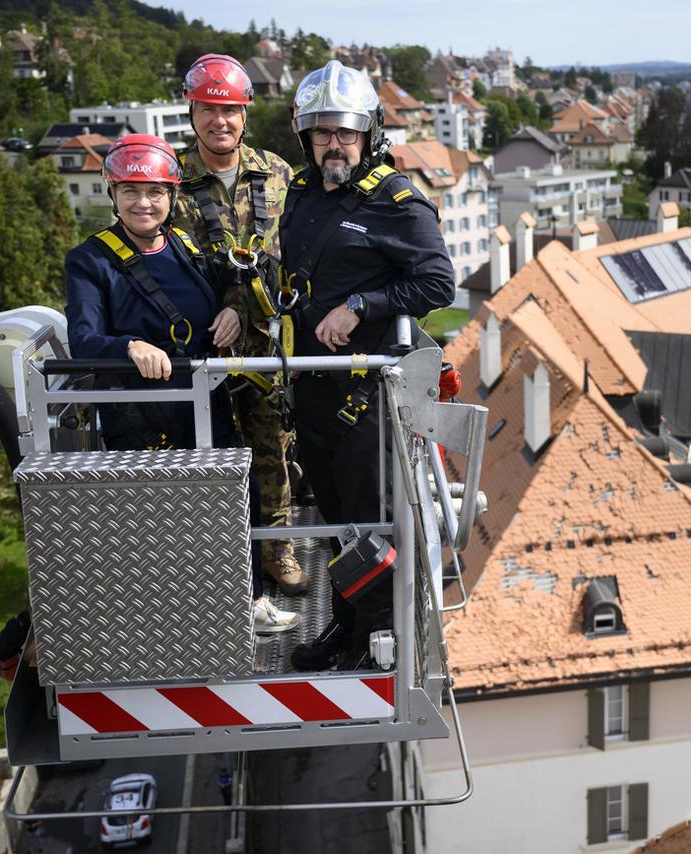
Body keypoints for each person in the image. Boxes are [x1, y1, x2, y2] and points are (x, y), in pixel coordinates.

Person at [64, 134, 300, 636]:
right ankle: (173, 619)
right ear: (112, 194)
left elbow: (220, 294)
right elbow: (83, 338)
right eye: (131, 191)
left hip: (205, 400)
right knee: (161, 525)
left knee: (231, 504)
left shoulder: (184, 245)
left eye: (155, 192)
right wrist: (128, 347)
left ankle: (249, 600)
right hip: (142, 414)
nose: (144, 203)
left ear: (172, 196)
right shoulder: (91, 261)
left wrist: (232, 312)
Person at [279, 61, 455, 670]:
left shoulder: (396, 201)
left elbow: (438, 284)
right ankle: (350, 625)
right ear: (306, 137)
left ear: (368, 135)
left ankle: (380, 637)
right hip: (310, 391)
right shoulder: (300, 196)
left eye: (345, 132)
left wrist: (362, 305)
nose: (334, 143)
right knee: (333, 520)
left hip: (364, 398)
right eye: (323, 132)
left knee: (368, 523)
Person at [174, 54, 307, 596]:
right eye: (209, 109)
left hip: (267, 342)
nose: (219, 121)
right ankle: (216, 563)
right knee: (207, 454)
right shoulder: (174, 181)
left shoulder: (276, 172)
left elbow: (293, 249)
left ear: (245, 115)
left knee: (272, 448)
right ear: (192, 112)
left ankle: (278, 551)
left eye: (229, 110)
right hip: (203, 342)